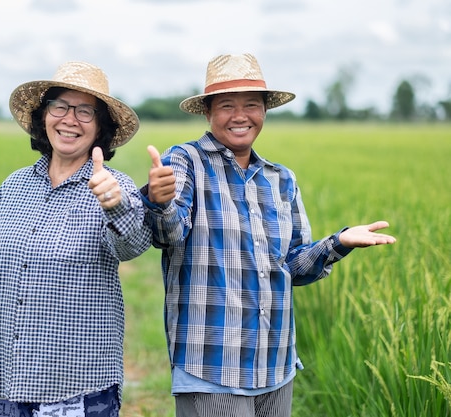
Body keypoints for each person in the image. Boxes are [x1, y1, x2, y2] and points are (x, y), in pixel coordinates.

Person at [141, 53, 396, 417]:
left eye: (251, 105)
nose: (240, 115)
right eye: (227, 105)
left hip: (276, 365)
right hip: (213, 365)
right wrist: (160, 201)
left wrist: (338, 243)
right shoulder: (185, 161)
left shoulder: (281, 179)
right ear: (208, 112)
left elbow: (292, 266)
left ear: (264, 111)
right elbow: (169, 233)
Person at [0, 61, 152, 417]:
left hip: (75, 388)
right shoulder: (15, 186)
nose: (69, 119)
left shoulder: (112, 184)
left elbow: (133, 243)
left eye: (85, 111)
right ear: (44, 117)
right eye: (59, 106)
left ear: (101, 127)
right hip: (4, 383)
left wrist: (114, 204)